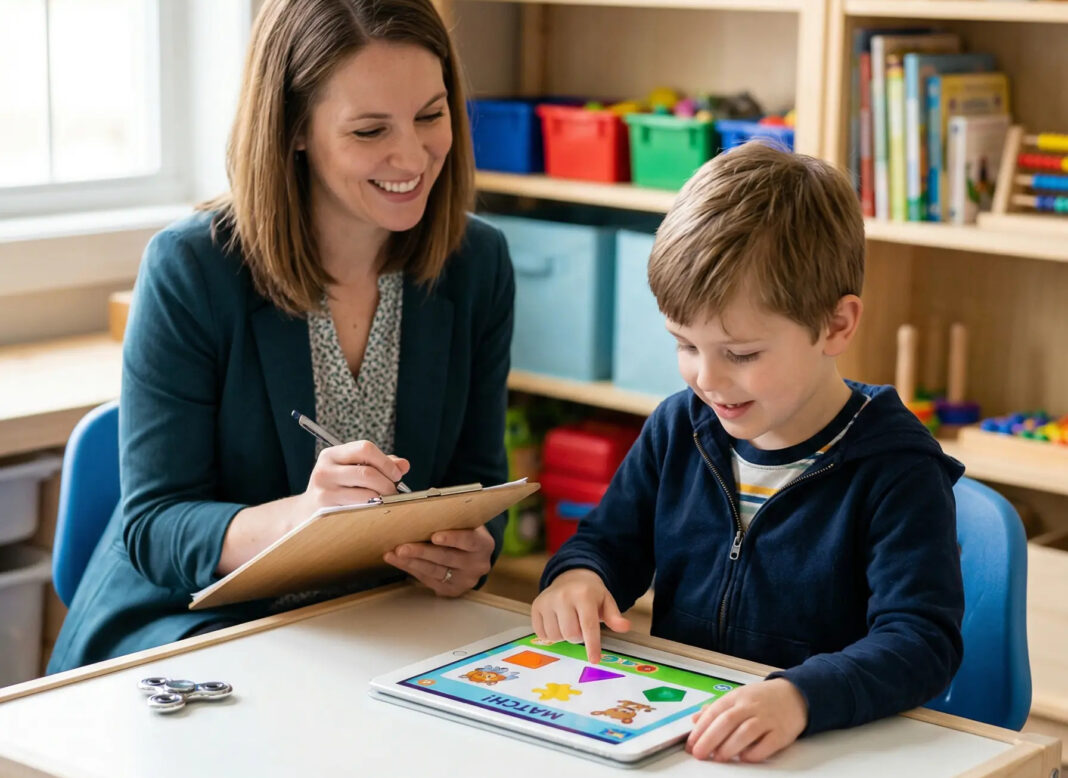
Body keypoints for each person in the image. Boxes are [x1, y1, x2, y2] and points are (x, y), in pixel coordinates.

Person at [49, 0, 514, 673]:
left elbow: (481, 486)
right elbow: (154, 525)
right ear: (294, 129)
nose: (413, 155)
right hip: (191, 630)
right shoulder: (192, 268)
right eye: (369, 129)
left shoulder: (478, 265)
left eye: (430, 115)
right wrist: (302, 518)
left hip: (371, 631)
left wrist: (471, 551)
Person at [531, 142, 964, 763]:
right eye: (685, 345)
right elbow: (607, 543)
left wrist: (799, 696)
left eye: (741, 354)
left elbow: (920, 643)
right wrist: (579, 578)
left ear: (836, 326)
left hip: (821, 747)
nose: (707, 380)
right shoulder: (679, 427)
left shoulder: (897, 470)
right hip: (684, 734)